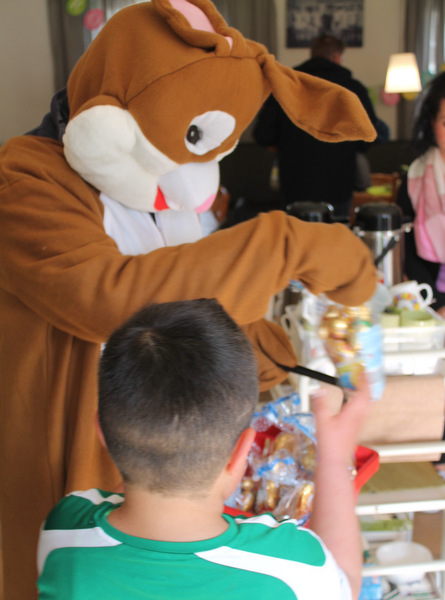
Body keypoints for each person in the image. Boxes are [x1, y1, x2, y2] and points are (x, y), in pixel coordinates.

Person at [0, 2, 377, 597]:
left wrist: (269, 363)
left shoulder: (164, 189)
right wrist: (285, 244)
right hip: (76, 469)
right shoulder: (24, 179)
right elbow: (117, 301)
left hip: (149, 473)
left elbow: (193, 302)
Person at [37, 298, 371, 600]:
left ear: (102, 433)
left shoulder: (65, 530)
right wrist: (332, 455)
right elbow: (347, 583)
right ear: (243, 452)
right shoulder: (293, 567)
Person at [253, 34, 378, 218]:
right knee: (335, 239)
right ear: (337, 57)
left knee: (297, 241)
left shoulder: (286, 86)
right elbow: (366, 139)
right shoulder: (353, 89)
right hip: (338, 183)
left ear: (313, 54)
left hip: (295, 184)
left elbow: (262, 134)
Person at [397, 72, 445, 316]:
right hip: (431, 298)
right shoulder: (415, 177)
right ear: (432, 124)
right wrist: (437, 306)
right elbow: (407, 249)